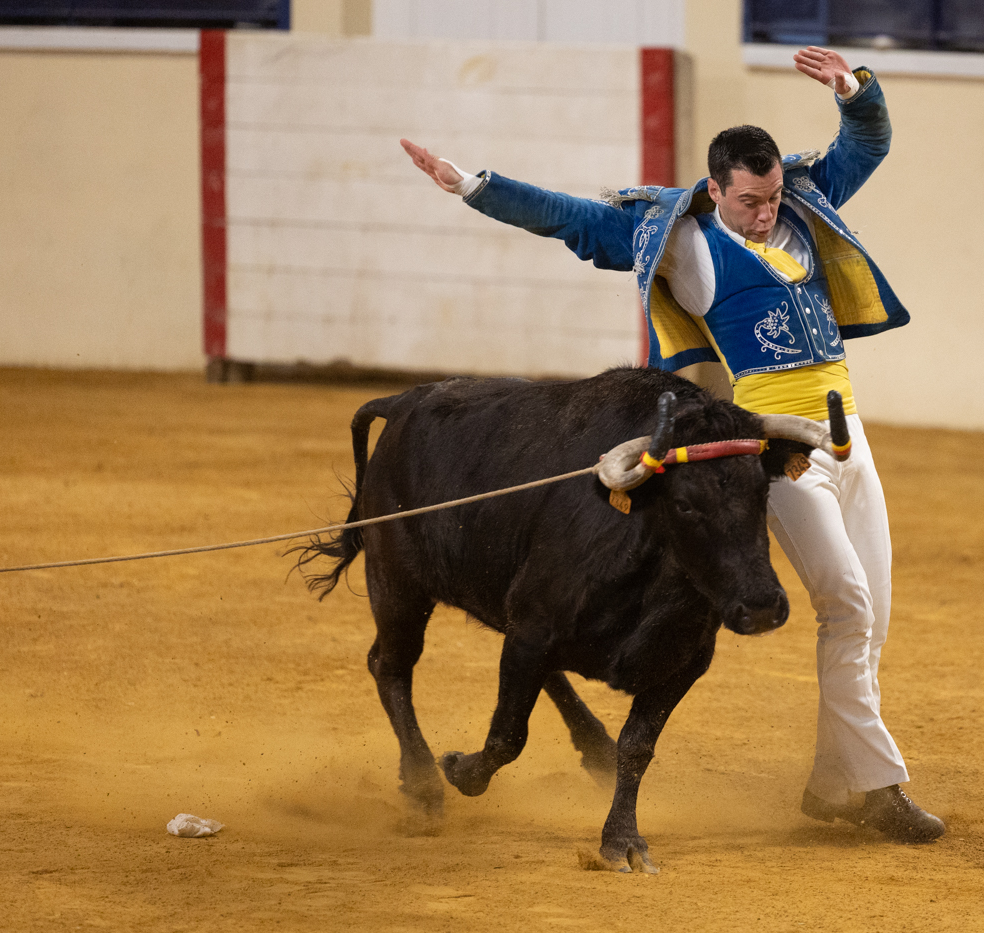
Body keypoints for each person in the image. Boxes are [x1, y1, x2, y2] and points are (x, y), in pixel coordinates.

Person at [400, 46, 944, 844]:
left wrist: (855, 91)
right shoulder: (682, 241)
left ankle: (838, 781)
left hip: (846, 433)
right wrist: (475, 186)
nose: (767, 212)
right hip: (769, 448)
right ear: (716, 187)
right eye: (752, 200)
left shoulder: (802, 201)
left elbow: (868, 145)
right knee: (848, 603)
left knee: (869, 617)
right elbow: (574, 220)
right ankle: (877, 786)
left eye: (773, 196)